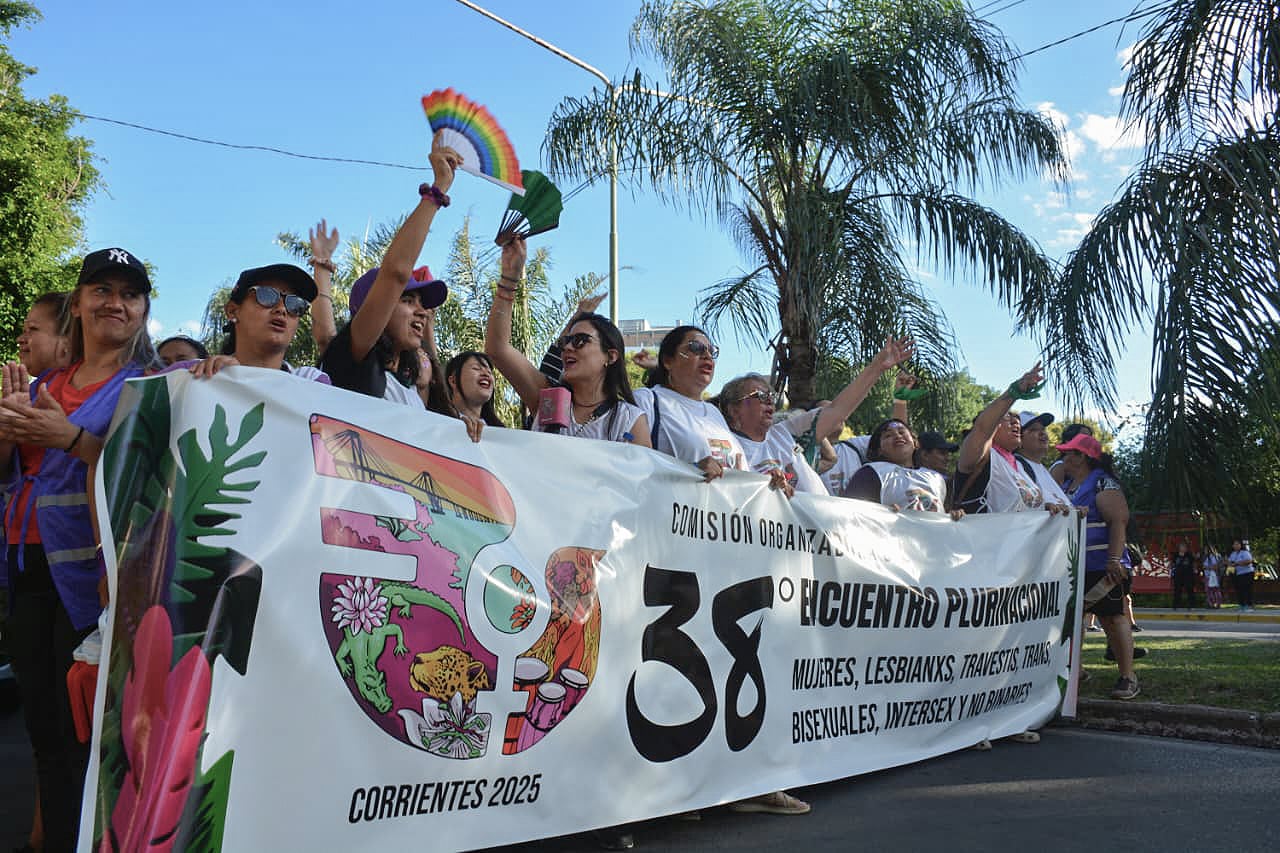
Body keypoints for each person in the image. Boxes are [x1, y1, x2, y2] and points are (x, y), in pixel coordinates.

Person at [0, 247, 158, 852]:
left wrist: (69, 438)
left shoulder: (152, 388)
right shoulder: (42, 385)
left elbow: (152, 474)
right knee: (45, 735)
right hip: (27, 579)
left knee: (95, 741)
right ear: (79, 303)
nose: (114, 302)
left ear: (143, 311)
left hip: (102, 587)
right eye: (102, 290)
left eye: (129, 293)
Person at [633, 326, 805, 817]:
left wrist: (762, 477)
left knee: (744, 660)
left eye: (712, 351)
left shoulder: (711, 412)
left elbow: (734, 468)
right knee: (679, 666)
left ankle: (752, 780)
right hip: (678, 550)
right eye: (695, 349)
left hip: (730, 552)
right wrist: (690, 466)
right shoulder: (649, 400)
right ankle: (674, 786)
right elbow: (639, 460)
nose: (707, 358)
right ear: (668, 360)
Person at [319, 138, 457, 409]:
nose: (422, 312)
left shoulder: (409, 395)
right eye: (407, 300)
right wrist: (438, 188)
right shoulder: (354, 358)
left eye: (422, 304)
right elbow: (396, 272)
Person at [6, 290, 71, 853]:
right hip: (20, 568)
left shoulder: (104, 393)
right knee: (42, 722)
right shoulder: (18, 395)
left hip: (73, 580)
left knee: (68, 726)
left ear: (66, 337)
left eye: (34, 329)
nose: (22, 339)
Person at [485, 239, 648, 446]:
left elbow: (642, 478)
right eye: (566, 342)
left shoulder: (629, 420)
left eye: (581, 341)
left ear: (611, 356)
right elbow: (497, 349)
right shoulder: (548, 401)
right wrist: (509, 278)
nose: (568, 348)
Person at [719, 337, 913, 494]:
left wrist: (877, 367)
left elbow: (837, 410)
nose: (769, 401)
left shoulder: (787, 432)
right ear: (734, 409)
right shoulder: (724, 445)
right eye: (760, 396)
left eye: (771, 395)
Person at [1057, 433, 1140, 700]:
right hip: (1073, 566)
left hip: (1102, 565)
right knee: (1071, 621)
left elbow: (1119, 521)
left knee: (1113, 619)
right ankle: (1074, 672)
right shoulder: (1067, 485)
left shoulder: (1102, 483)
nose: (1065, 458)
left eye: (1070, 453)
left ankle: (1128, 677)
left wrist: (1114, 560)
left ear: (1084, 457)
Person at [184, 264, 329, 383]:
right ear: (232, 311)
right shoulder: (189, 373)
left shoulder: (312, 382)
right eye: (266, 295)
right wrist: (221, 382)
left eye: (295, 304)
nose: (282, 309)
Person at [952, 363, 1049, 514]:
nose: (1015, 422)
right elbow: (982, 429)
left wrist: (1050, 510)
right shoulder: (980, 457)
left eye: (1016, 419)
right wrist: (1014, 392)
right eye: (1006, 418)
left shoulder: (1024, 467)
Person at [843, 419, 962, 519]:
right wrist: (880, 514)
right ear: (879, 450)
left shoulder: (936, 478)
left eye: (902, 432)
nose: (897, 436)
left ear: (915, 443)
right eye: (888, 435)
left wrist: (955, 516)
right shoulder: (870, 473)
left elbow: (943, 514)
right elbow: (852, 514)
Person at [1014, 412, 1070, 505]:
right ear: (1019, 438)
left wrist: (1076, 511)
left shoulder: (1040, 468)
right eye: (1033, 430)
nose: (1042, 433)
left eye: (1043, 429)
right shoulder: (1016, 467)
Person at [444, 351, 505, 427]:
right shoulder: (437, 424)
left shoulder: (500, 433)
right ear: (453, 380)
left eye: (489, 372)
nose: (486, 374)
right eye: (476, 368)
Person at [1227, 539, 1255, 611]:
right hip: (1237, 574)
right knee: (1239, 590)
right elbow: (1229, 562)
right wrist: (1229, 563)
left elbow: (1249, 560)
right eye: (1234, 544)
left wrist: (1237, 563)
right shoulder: (1233, 554)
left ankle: (1249, 605)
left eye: (1237, 544)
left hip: (1247, 573)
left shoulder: (1245, 552)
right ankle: (1242, 605)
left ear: (1241, 545)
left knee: (1247, 589)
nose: (1236, 546)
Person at [1170, 540, 1197, 610]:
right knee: (1177, 590)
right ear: (1179, 548)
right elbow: (1172, 564)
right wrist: (1171, 570)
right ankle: (1176, 605)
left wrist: (1195, 569)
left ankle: (1191, 605)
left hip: (1188, 575)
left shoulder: (1189, 555)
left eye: (1184, 547)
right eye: (1182, 547)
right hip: (1178, 575)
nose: (1183, 548)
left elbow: (1194, 562)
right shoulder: (1176, 555)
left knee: (1189, 590)